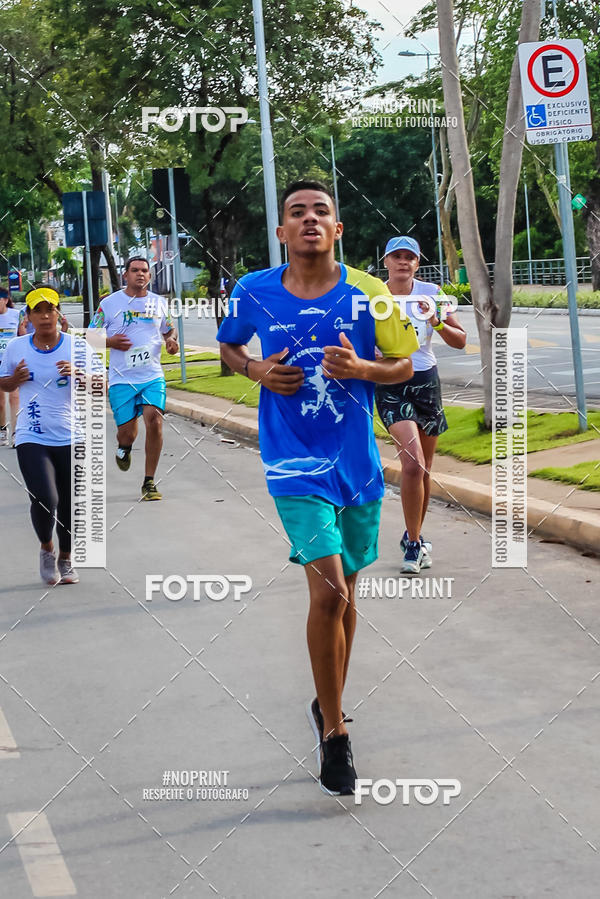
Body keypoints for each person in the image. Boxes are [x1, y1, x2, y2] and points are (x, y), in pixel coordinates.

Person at [218, 180, 418, 795]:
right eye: (297, 213)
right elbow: (226, 346)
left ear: (337, 230)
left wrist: (362, 369)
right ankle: (336, 733)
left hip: (355, 464)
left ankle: (325, 704)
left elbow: (404, 364)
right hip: (292, 463)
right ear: (281, 232)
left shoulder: (372, 292)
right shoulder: (253, 290)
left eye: (321, 212)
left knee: (348, 593)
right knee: (329, 591)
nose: (309, 219)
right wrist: (255, 369)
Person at [375, 236, 466, 574]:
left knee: (424, 468)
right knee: (411, 464)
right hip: (390, 384)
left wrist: (437, 321)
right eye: (396, 256)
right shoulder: (374, 295)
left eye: (409, 257)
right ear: (386, 261)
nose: (403, 262)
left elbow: (460, 340)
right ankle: (413, 545)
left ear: (417, 262)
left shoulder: (432, 294)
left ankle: (413, 533)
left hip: (426, 382)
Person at [0, 287, 82, 584]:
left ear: (59, 313)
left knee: (71, 502)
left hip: (70, 434)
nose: (45, 316)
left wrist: (79, 375)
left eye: (51, 309)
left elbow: (100, 384)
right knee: (46, 498)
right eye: (39, 310)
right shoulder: (16, 347)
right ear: (30, 316)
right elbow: (4, 384)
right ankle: (47, 548)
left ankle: (66, 558)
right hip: (31, 435)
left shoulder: (77, 346)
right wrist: (14, 379)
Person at [89, 256, 178, 501]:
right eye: (135, 270)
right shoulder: (109, 304)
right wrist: (110, 342)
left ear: (150, 276)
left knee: (155, 421)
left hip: (152, 375)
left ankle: (149, 481)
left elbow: (169, 328)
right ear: (125, 275)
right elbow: (90, 336)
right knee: (127, 433)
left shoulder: (158, 303)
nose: (140, 274)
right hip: (121, 378)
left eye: (144, 271)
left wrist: (171, 339)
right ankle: (124, 447)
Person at [0, 288, 20, 446]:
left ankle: (15, 433)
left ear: (6, 300)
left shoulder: (16, 315)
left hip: (12, 361)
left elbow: (23, 335)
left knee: (14, 398)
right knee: (0, 402)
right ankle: (2, 430)